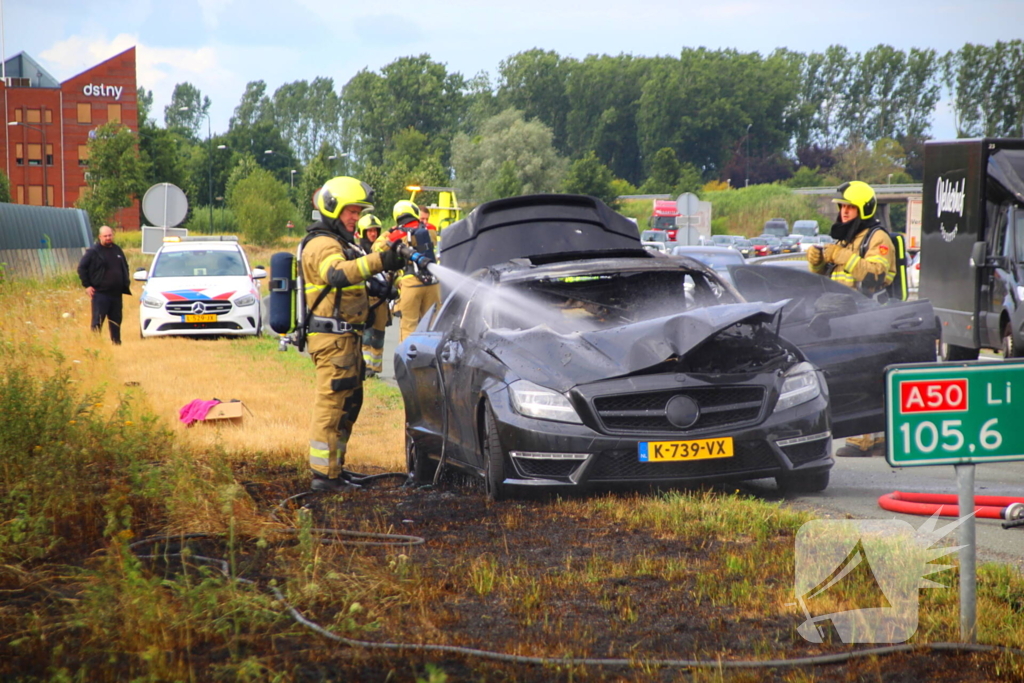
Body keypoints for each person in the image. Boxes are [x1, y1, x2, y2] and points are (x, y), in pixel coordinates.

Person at [302, 177, 406, 492]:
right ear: (332, 209)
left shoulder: (342, 242)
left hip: (346, 339)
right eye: (350, 211)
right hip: (332, 340)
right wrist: (380, 260)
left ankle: (335, 469)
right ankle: (323, 476)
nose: (355, 217)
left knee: (349, 403)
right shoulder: (323, 244)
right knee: (332, 405)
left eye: (358, 212)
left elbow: (357, 275)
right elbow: (336, 273)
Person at [808, 180, 896, 457]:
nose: (844, 212)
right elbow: (832, 281)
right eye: (842, 207)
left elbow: (876, 276)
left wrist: (843, 255)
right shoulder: (846, 238)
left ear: (864, 209)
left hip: (869, 318)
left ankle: (865, 441)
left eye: (850, 207)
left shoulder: (877, 239)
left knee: (865, 376)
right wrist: (818, 264)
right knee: (855, 376)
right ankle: (873, 440)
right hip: (845, 319)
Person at [392, 200, 440, 342]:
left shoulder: (398, 233)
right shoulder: (430, 231)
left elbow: (377, 248)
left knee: (408, 327)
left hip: (411, 282)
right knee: (432, 327)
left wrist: (390, 231)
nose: (424, 221)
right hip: (432, 283)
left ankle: (407, 356)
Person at [77, 225, 131, 345]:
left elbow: (125, 266)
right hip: (100, 293)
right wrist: (87, 285)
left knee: (116, 320)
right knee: (98, 320)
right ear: (100, 237)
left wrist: (125, 280)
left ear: (113, 235)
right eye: (105, 236)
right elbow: (81, 268)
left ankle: (116, 343)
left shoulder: (117, 250)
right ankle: (95, 343)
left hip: (116, 293)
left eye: (110, 235)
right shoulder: (93, 251)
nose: (108, 238)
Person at [356, 213, 390, 378]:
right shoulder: (357, 252)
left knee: (378, 335)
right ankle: (364, 366)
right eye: (369, 231)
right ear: (362, 233)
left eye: (375, 231)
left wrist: (392, 287)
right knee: (366, 334)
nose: (373, 234)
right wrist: (373, 286)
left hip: (381, 300)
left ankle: (375, 368)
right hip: (365, 299)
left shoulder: (382, 251)